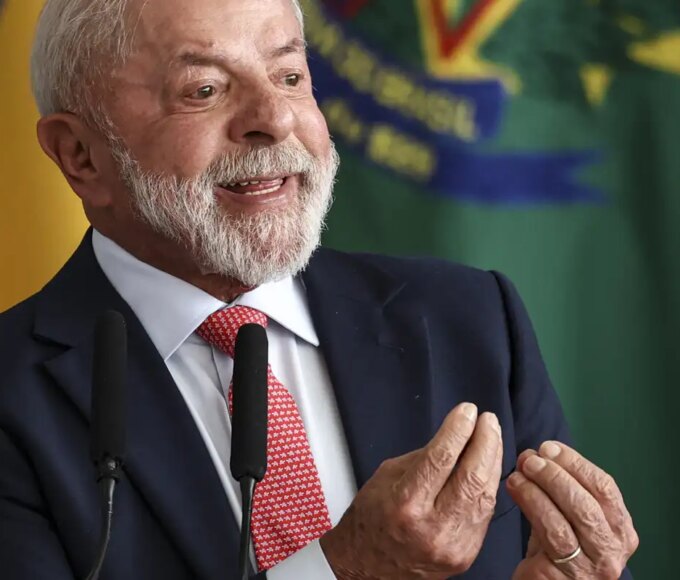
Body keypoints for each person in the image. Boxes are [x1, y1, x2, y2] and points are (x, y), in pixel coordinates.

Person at [0, 0, 638, 578]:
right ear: (79, 154)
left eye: (289, 77)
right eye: (204, 90)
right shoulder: (14, 393)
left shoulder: (470, 318)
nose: (275, 119)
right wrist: (344, 568)